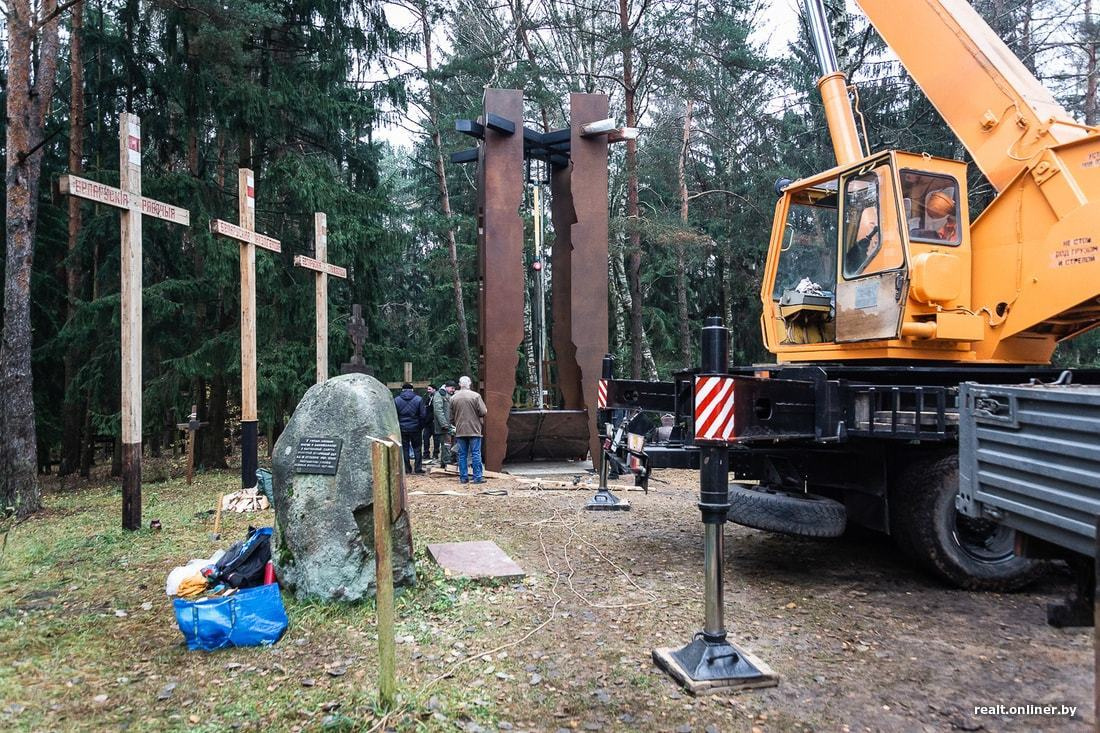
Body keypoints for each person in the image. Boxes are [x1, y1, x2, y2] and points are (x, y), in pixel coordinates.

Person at [450, 375, 487, 484]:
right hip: (474, 429)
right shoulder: (476, 396)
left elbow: (450, 417)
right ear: (469, 383)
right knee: (476, 453)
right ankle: (477, 477)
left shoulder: (453, 398)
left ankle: (463, 477)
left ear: (459, 384)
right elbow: (483, 411)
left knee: (462, 455)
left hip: (460, 430)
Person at [394, 383, 427, 474]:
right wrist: (420, 426)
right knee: (417, 448)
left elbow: (394, 415)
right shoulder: (419, 399)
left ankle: (407, 469)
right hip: (416, 428)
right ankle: (418, 468)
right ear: (412, 389)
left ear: (402, 390)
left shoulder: (396, 400)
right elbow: (423, 415)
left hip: (402, 428)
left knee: (405, 448)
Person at [432, 381, 456, 468]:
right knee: (446, 444)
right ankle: (446, 462)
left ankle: (445, 462)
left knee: (448, 444)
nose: (453, 390)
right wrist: (444, 424)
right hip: (445, 426)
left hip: (449, 424)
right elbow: (438, 411)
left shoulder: (447, 395)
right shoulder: (439, 395)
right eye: (452, 388)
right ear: (446, 387)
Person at [422, 385, 437, 460]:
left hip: (434, 421)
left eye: (429, 389)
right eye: (427, 389)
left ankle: (435, 454)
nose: (428, 391)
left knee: (436, 439)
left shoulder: (437, 398)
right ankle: (426, 453)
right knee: (425, 438)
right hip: (427, 422)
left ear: (434, 389)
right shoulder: (427, 397)